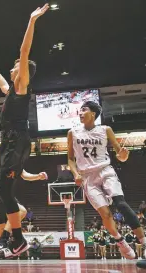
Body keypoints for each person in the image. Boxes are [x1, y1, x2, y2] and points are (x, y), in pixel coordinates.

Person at [0, 4, 49, 257]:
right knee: (4, 190)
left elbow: (24, 51)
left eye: (15, 68)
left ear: (22, 73)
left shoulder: (23, 86)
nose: (12, 71)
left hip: (16, 141)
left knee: (3, 190)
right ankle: (18, 239)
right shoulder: (13, 90)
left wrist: (32, 21)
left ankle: (19, 240)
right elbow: (3, 83)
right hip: (11, 143)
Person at [67, 100, 145, 260]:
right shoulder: (72, 132)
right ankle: (120, 241)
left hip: (105, 170)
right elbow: (70, 159)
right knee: (106, 215)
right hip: (87, 176)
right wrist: (75, 173)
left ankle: (144, 242)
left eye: (84, 110)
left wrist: (123, 155)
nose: (80, 113)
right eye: (79, 110)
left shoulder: (105, 129)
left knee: (121, 204)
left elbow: (120, 154)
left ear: (93, 113)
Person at [0, 148, 48, 264]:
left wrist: (38, 176)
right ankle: (3, 238)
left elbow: (24, 175)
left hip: (5, 192)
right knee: (21, 211)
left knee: (0, 226)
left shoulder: (16, 160)